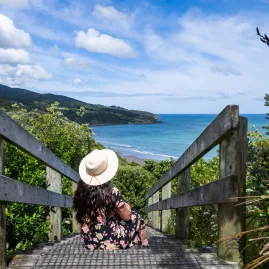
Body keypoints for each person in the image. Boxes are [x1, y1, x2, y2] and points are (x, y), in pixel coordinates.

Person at [73, 149, 149, 250]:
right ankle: (144, 243)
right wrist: (127, 207)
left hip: (90, 242)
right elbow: (126, 217)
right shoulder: (112, 192)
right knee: (136, 216)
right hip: (113, 241)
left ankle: (137, 241)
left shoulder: (81, 192)